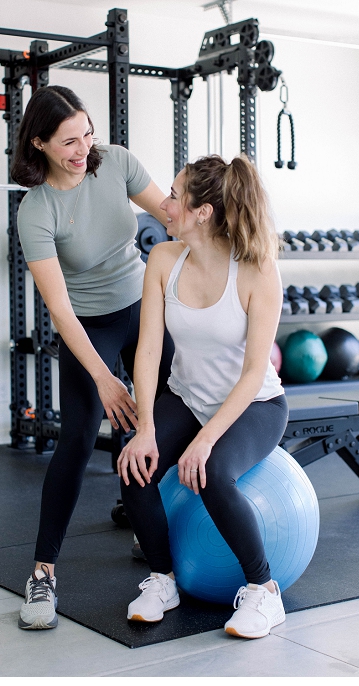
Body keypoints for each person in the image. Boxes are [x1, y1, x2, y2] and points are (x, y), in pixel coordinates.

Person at [12, 86, 174, 631]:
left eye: (87, 133)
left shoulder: (118, 163)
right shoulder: (36, 210)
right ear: (40, 143)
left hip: (142, 305)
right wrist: (104, 379)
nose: (84, 148)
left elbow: (174, 215)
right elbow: (59, 308)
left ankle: (151, 522)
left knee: (175, 408)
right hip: (87, 326)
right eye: (68, 141)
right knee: (78, 436)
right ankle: (41, 574)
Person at [117, 154, 288, 639]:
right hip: (187, 396)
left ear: (202, 212)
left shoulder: (257, 271)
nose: (164, 205)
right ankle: (162, 578)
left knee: (211, 474)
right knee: (135, 465)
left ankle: (263, 590)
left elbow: (256, 372)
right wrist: (145, 427)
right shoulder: (164, 260)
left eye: (174, 196)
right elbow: (148, 351)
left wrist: (206, 439)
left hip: (253, 406)